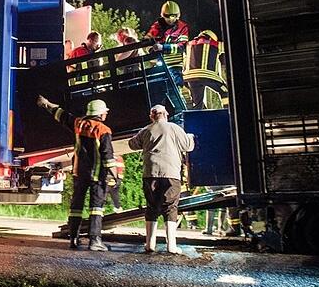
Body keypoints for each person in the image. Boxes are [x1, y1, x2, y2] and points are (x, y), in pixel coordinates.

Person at [36, 95, 118, 251]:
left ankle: (74, 239)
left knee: (76, 207)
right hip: (96, 175)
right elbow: (107, 156)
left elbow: (61, 115)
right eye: (105, 113)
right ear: (100, 114)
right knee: (96, 208)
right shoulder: (103, 130)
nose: (106, 115)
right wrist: (115, 176)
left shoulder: (78, 124)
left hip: (79, 173)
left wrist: (46, 104)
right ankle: (95, 241)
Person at [128, 104, 194, 254]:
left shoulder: (146, 130)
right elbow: (188, 146)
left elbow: (132, 144)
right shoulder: (175, 128)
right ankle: (171, 246)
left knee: (152, 207)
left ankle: (150, 244)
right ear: (166, 114)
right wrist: (190, 136)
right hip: (171, 174)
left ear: (152, 116)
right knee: (170, 207)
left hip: (150, 174)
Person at [146, 1, 190, 87]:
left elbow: (181, 47)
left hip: (176, 63)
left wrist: (163, 47)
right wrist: (151, 49)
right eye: (167, 16)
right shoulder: (157, 26)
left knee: (176, 85)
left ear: (178, 15)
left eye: (173, 16)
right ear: (162, 15)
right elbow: (147, 41)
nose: (171, 19)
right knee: (158, 86)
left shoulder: (182, 27)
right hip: (160, 63)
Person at [183, 29, 227, 110]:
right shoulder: (215, 43)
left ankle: (198, 119)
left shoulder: (189, 44)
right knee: (225, 92)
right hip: (208, 76)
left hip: (190, 78)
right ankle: (228, 111)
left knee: (197, 103)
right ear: (211, 37)